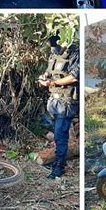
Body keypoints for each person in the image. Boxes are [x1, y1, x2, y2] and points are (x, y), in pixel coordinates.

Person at [38, 35, 79, 179]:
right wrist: (43, 79)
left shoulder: (74, 53)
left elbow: (75, 76)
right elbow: (49, 72)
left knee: (61, 136)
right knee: (56, 135)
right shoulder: (53, 55)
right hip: (54, 102)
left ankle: (59, 167)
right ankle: (57, 160)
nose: (53, 50)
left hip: (66, 102)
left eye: (55, 46)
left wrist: (55, 83)